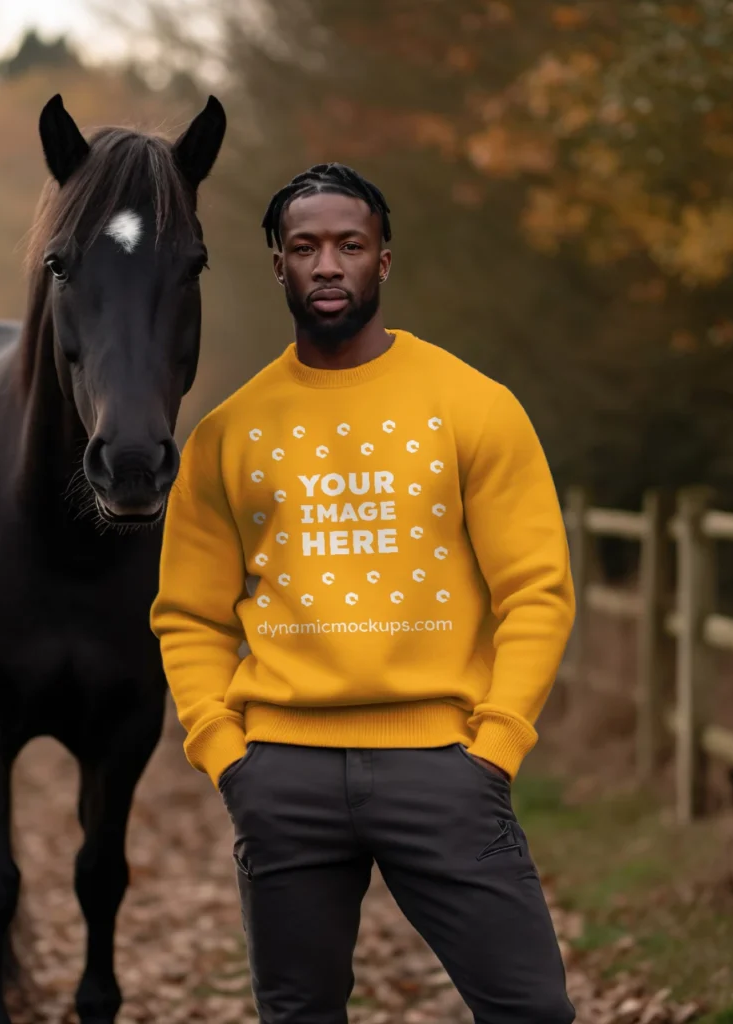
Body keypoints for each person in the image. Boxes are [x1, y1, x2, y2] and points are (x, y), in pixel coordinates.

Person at [150, 163, 577, 1024]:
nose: (329, 265)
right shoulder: (227, 434)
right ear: (277, 264)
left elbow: (536, 590)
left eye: (351, 245)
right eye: (305, 248)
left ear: (385, 260)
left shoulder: (474, 406)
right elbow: (188, 616)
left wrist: (495, 747)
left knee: (533, 1012)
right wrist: (226, 754)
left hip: (446, 769)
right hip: (282, 777)